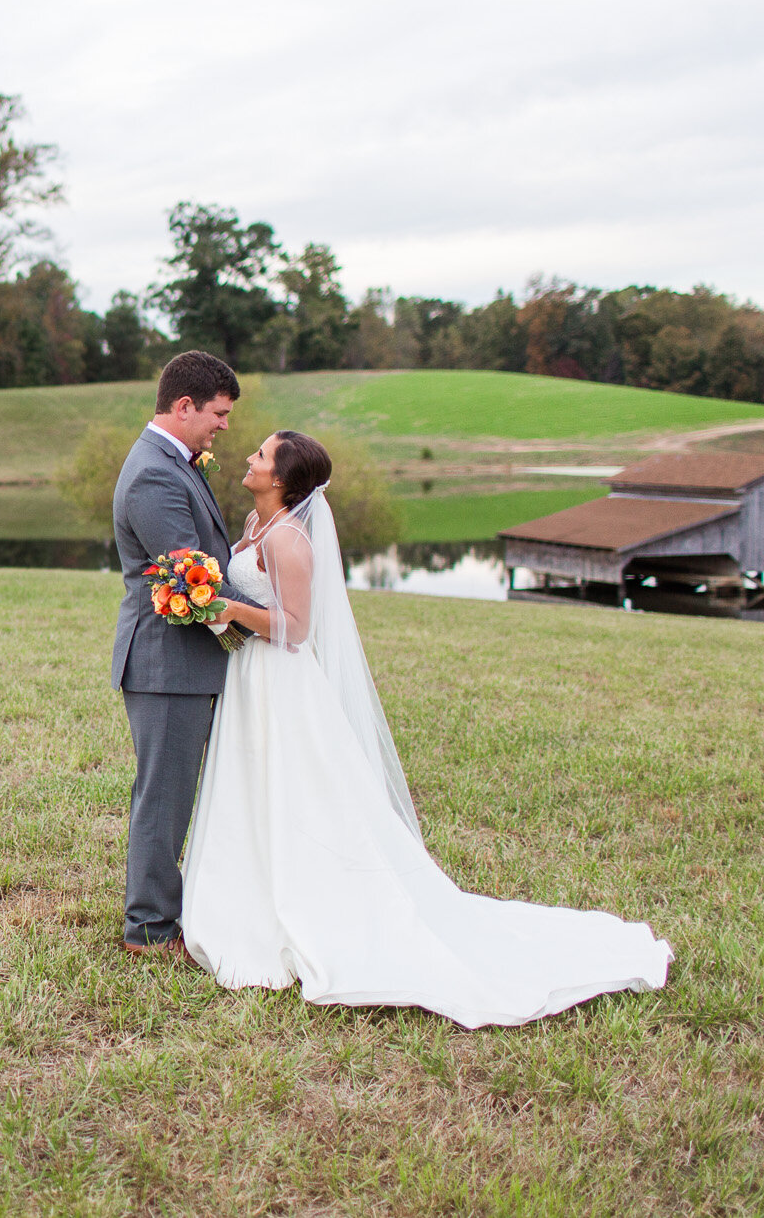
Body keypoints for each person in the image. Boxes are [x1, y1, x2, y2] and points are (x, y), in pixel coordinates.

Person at [178, 430, 672, 1028]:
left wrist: (228, 609)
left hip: (280, 682)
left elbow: (297, 627)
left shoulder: (287, 539)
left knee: (293, 789)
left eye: (261, 454)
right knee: (252, 786)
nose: (250, 458)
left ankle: (306, 906)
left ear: (281, 479)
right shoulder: (255, 528)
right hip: (250, 679)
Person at [109, 351, 240, 958]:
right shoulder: (155, 473)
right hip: (166, 665)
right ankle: (150, 929)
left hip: (187, 662)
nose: (223, 425)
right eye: (217, 413)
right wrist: (266, 626)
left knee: (182, 791)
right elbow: (193, 578)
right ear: (183, 407)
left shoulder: (173, 462)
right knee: (164, 796)